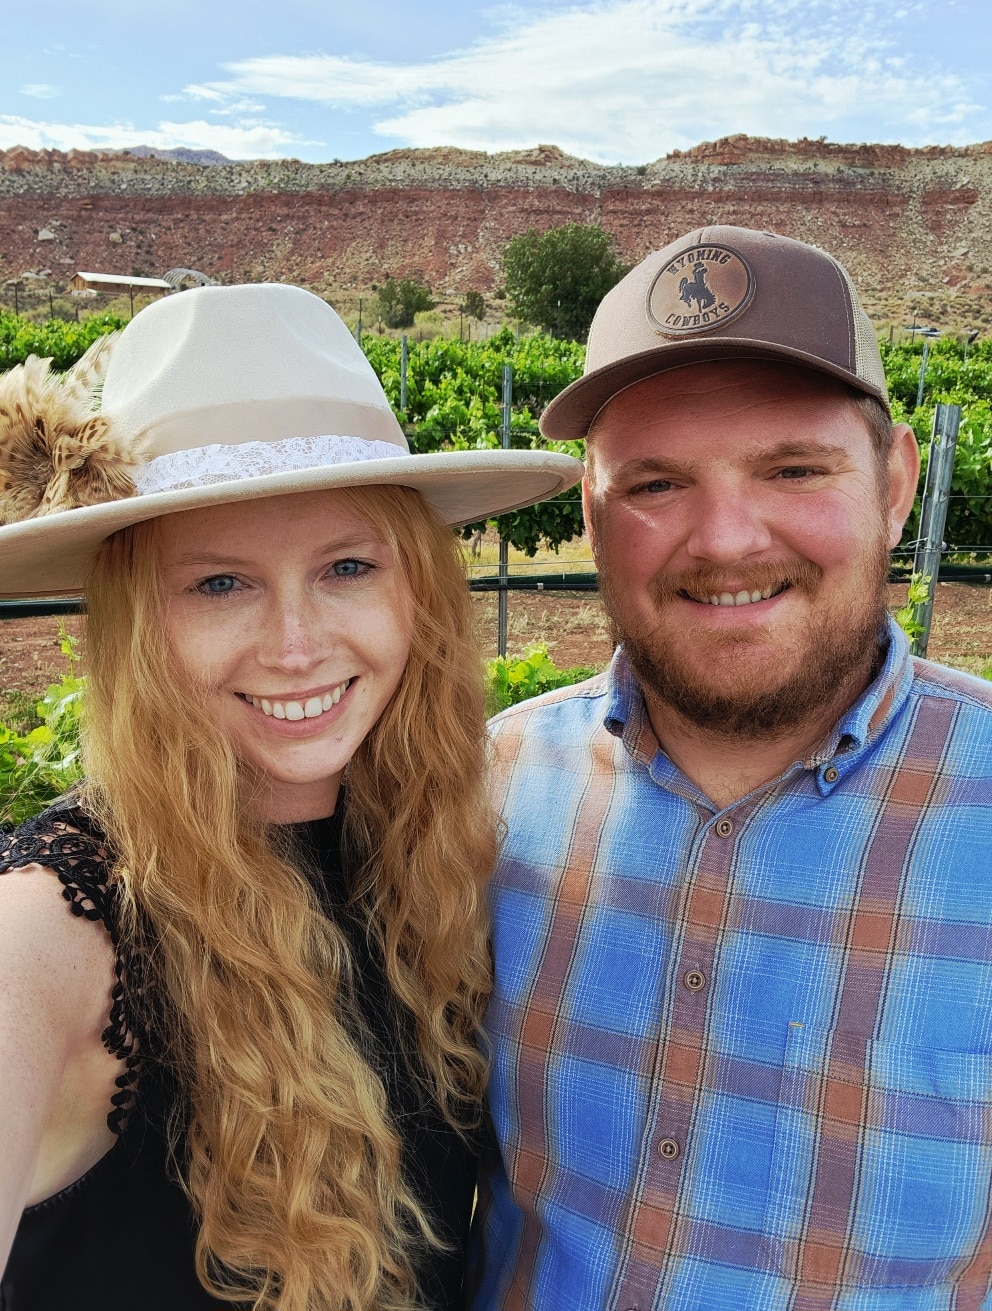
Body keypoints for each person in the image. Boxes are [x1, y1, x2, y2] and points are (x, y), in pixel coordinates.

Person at [0, 283, 581, 1311]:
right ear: (136, 626)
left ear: (415, 591)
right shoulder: (56, 925)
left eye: (347, 566)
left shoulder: (435, 860)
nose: (297, 645)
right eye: (218, 583)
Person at [470, 226, 992, 1310]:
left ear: (895, 482)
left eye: (792, 470)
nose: (723, 540)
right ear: (591, 516)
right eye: (656, 484)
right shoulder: (493, 787)